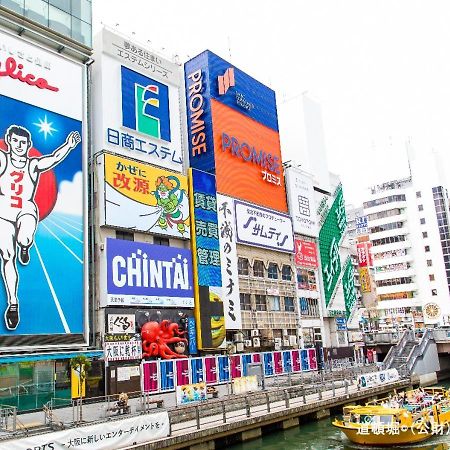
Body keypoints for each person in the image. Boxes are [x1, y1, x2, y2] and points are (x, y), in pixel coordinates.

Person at [0, 125, 81, 330]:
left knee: (25, 236)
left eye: (23, 142)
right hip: (3, 213)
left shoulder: (32, 164)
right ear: (9, 142)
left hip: (25, 208)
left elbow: (53, 158)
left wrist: (69, 146)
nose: (19, 146)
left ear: (29, 145)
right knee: (8, 256)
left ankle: (25, 245)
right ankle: (13, 304)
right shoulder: (3, 159)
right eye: (15, 141)